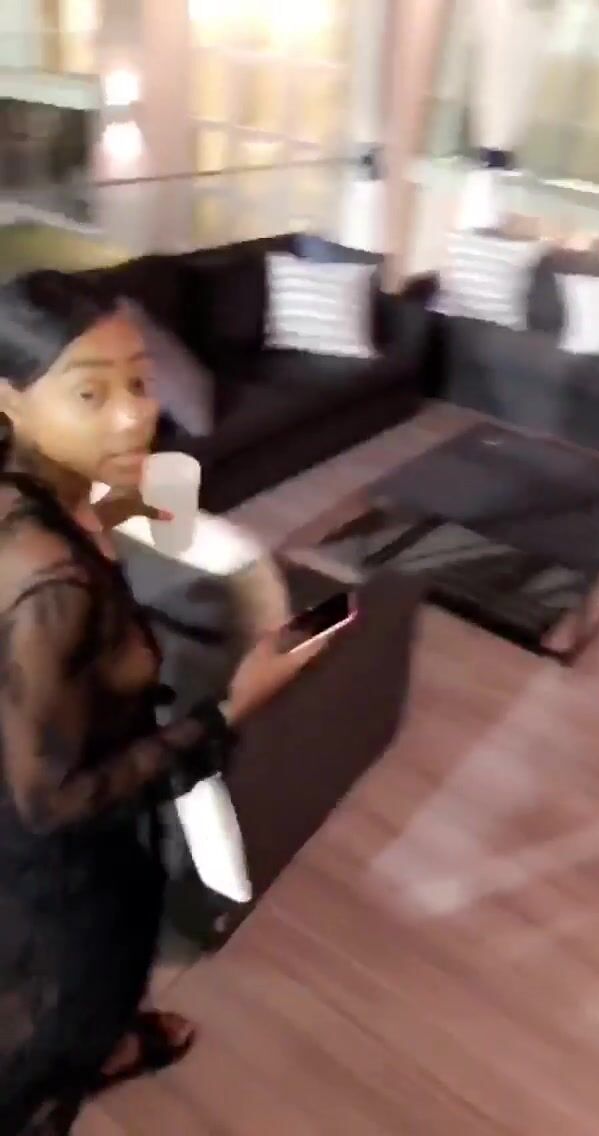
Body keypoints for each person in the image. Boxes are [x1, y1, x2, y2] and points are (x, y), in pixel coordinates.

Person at [0, 270, 322, 1134]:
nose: (133, 416)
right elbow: (53, 801)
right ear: (10, 399)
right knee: (46, 1050)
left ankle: (106, 1044)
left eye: (140, 382)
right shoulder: (49, 582)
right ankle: (79, 1058)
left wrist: (119, 509)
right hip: (60, 873)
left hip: (47, 813)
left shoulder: (39, 498)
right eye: (91, 394)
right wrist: (233, 707)